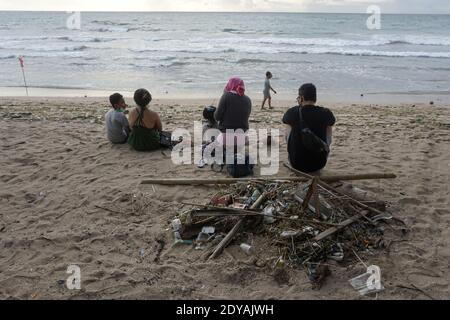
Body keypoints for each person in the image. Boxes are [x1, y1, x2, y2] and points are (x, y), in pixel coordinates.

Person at [282, 83, 336, 173]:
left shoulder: (292, 112)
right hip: (319, 164)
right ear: (315, 98)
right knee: (328, 126)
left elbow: (285, 124)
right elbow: (330, 125)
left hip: (296, 164)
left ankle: (294, 153)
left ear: (301, 98)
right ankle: (323, 153)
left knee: (288, 124)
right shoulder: (326, 113)